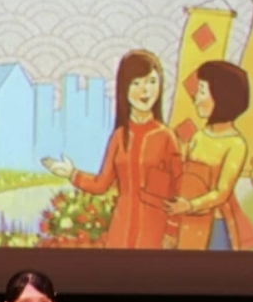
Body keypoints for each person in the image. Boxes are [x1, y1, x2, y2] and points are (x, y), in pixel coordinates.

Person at [43, 50, 181, 250]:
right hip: (121, 230)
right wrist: (71, 173)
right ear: (124, 88)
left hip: (154, 231)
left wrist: (172, 231)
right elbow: (101, 184)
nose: (145, 90)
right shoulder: (119, 137)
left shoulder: (166, 137)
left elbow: (177, 190)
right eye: (137, 83)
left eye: (152, 81)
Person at [165, 60, 253, 251]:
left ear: (221, 97)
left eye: (202, 92)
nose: (196, 98)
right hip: (187, 223)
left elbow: (221, 193)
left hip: (214, 226)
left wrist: (191, 205)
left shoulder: (235, 144)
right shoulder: (198, 136)